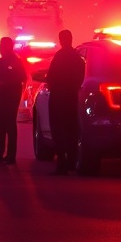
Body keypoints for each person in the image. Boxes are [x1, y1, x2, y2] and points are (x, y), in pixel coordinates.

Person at [45, 29, 85, 175]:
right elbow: (81, 77)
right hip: (72, 97)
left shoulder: (59, 56)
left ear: (62, 40)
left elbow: (50, 77)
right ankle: (72, 162)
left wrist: (52, 85)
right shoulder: (77, 58)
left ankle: (62, 163)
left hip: (58, 98)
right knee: (71, 131)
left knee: (58, 131)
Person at [0, 37, 27, 164]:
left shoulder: (16, 62)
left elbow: (21, 78)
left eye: (2, 46)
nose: (1, 48)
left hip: (11, 98)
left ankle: (11, 155)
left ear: (9, 47)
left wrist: (2, 84)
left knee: (10, 125)